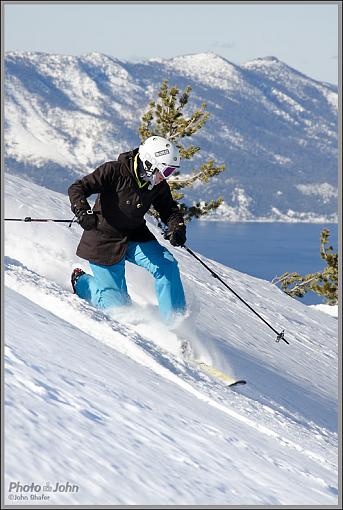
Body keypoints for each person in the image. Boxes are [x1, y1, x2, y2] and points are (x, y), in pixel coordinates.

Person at [68, 135, 187, 323]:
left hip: (135, 235)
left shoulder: (156, 184)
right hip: (104, 239)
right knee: (118, 308)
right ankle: (82, 282)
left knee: (167, 266)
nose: (166, 176)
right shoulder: (114, 171)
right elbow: (77, 188)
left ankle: (176, 325)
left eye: (171, 171)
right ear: (149, 163)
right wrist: (83, 211)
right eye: (165, 170)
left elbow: (168, 209)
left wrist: (176, 226)